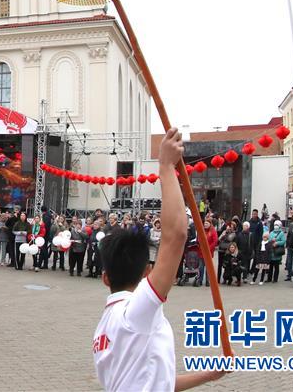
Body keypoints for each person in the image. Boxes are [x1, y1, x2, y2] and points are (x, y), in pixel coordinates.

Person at [94, 128, 225, 391]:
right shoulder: (136, 312)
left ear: (105, 277)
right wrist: (165, 166)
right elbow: (176, 235)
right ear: (147, 272)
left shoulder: (103, 330)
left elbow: (158, 383)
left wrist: (209, 376)